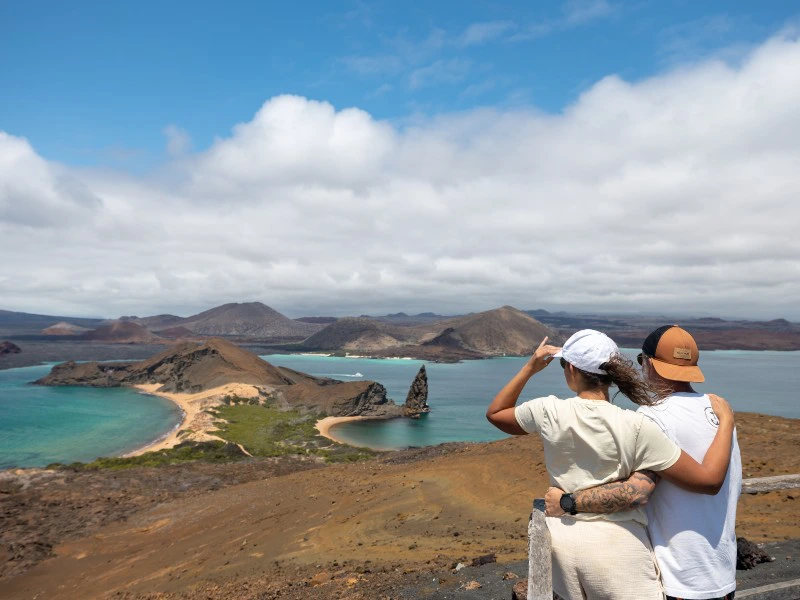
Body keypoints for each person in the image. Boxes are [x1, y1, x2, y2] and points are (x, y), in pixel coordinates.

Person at [486, 329, 735, 600]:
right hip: (620, 550)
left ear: (571, 368)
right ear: (612, 375)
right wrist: (727, 421)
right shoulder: (637, 425)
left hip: (562, 546)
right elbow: (705, 480)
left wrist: (530, 368)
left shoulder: (548, 410)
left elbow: (497, 414)